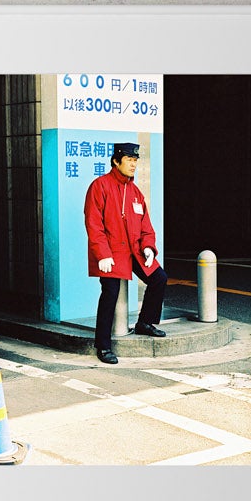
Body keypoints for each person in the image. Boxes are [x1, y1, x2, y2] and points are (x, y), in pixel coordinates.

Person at [83, 141, 167, 364]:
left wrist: (148, 247)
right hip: (111, 251)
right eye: (129, 160)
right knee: (110, 292)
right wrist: (102, 254)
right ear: (115, 161)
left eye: (135, 160)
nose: (133, 164)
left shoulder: (135, 191)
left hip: (135, 250)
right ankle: (103, 345)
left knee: (159, 278)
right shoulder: (100, 186)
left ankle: (145, 322)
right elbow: (94, 224)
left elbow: (146, 226)